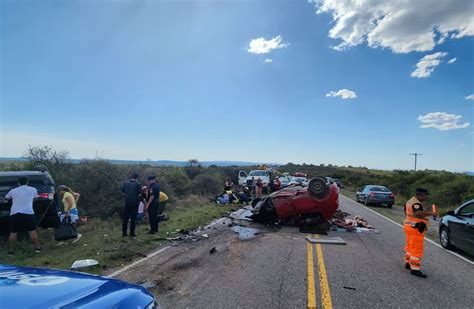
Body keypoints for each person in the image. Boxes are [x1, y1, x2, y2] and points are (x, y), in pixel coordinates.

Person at [403, 188, 436, 278]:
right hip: (416, 228)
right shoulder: (416, 203)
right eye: (425, 195)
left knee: (410, 246)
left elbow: (406, 211)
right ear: (420, 194)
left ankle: (408, 263)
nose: (426, 197)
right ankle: (415, 268)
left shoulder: (410, 201)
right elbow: (418, 213)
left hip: (408, 226)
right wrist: (431, 213)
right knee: (417, 249)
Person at [5, 177, 41, 254]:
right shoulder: (33, 189)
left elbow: (6, 198)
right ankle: (37, 248)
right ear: (27, 182)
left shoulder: (13, 191)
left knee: (13, 232)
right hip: (28, 212)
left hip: (15, 213)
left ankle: (11, 251)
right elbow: (36, 199)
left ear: (18, 183)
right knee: (32, 231)